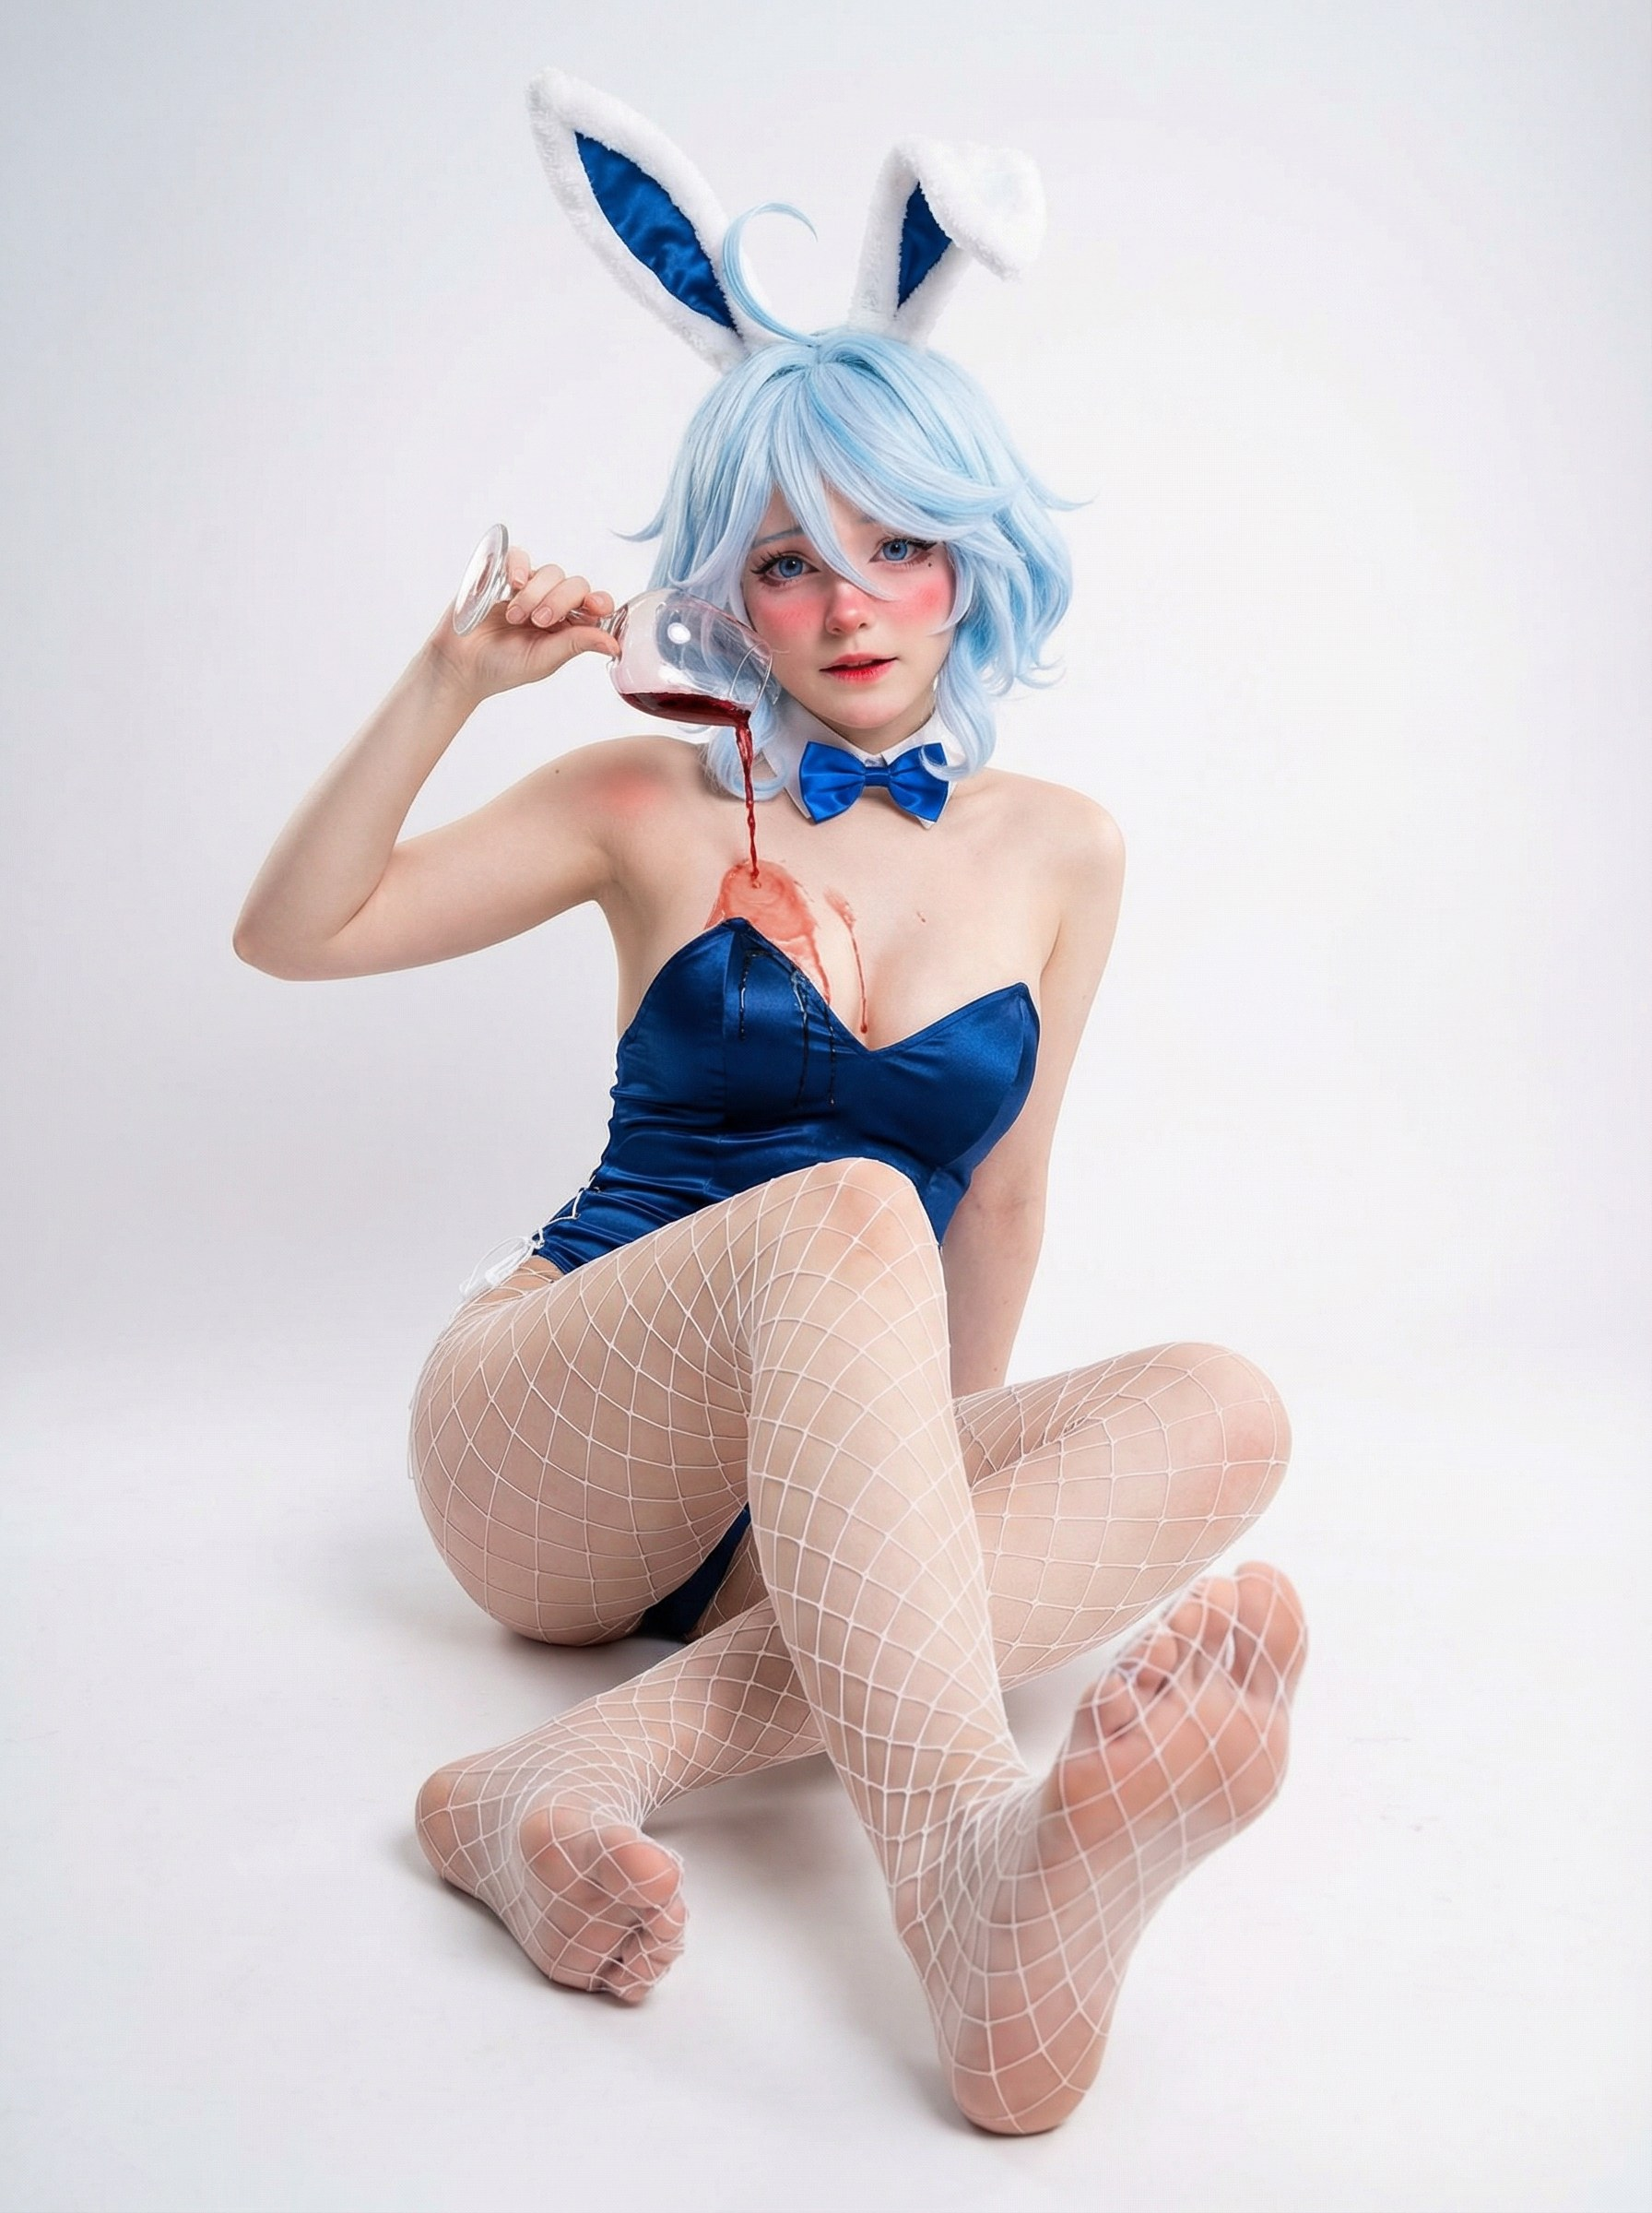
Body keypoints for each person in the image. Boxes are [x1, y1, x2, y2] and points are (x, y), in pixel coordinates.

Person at [233, 75, 1307, 2136]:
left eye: (898, 547)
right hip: (550, 1433)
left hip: (788, 1498)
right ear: (735, 589)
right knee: (850, 1208)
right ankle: (971, 1884)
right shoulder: (647, 798)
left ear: (971, 558)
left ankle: (558, 1776)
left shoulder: (1063, 849)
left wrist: (923, 1522)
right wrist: (451, 685)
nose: (850, 606)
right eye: (794, 563)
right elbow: (298, 933)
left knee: (1227, 1406)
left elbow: (1005, 1203)